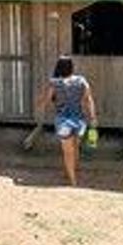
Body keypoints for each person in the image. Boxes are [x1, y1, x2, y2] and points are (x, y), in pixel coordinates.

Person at [36, 55, 97, 186]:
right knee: (75, 149)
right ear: (71, 67)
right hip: (79, 120)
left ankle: (72, 180)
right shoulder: (81, 81)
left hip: (63, 121)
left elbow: (47, 99)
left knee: (67, 151)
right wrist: (92, 117)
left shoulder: (54, 82)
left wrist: (39, 105)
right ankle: (72, 173)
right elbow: (89, 99)